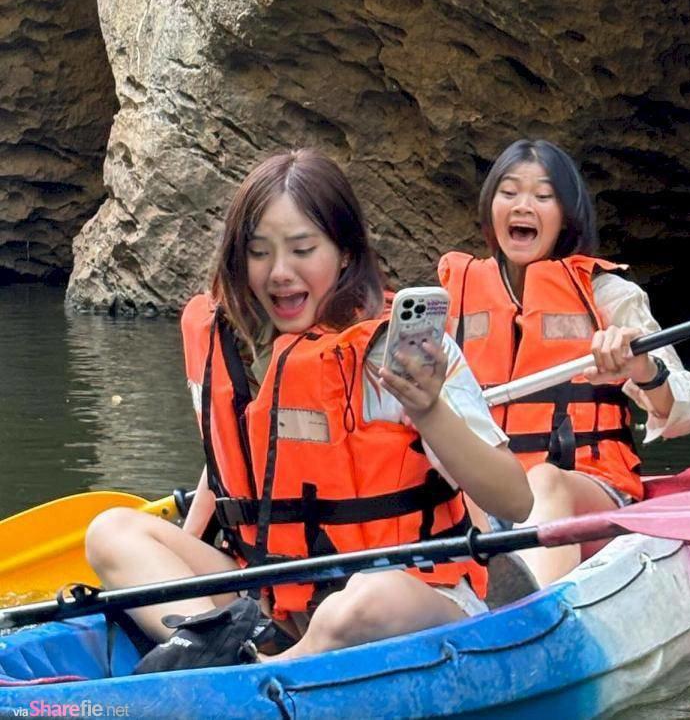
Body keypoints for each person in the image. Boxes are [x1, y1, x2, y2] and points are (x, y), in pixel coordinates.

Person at [85, 150, 531, 671]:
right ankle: (213, 647)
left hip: (409, 598)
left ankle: (260, 675)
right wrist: (185, 572)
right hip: (274, 599)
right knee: (112, 531)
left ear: (344, 254)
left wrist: (430, 410)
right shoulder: (227, 347)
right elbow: (227, 475)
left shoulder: (400, 352)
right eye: (258, 252)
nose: (279, 273)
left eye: (301, 249)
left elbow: (515, 501)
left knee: (357, 605)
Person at [439, 138, 690, 586]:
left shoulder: (609, 297)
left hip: (586, 493)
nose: (523, 206)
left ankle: (532, 606)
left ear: (566, 213)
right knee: (448, 488)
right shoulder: (453, 302)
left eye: (543, 196)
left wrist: (641, 368)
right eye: (509, 193)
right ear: (491, 206)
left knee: (547, 481)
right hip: (490, 498)